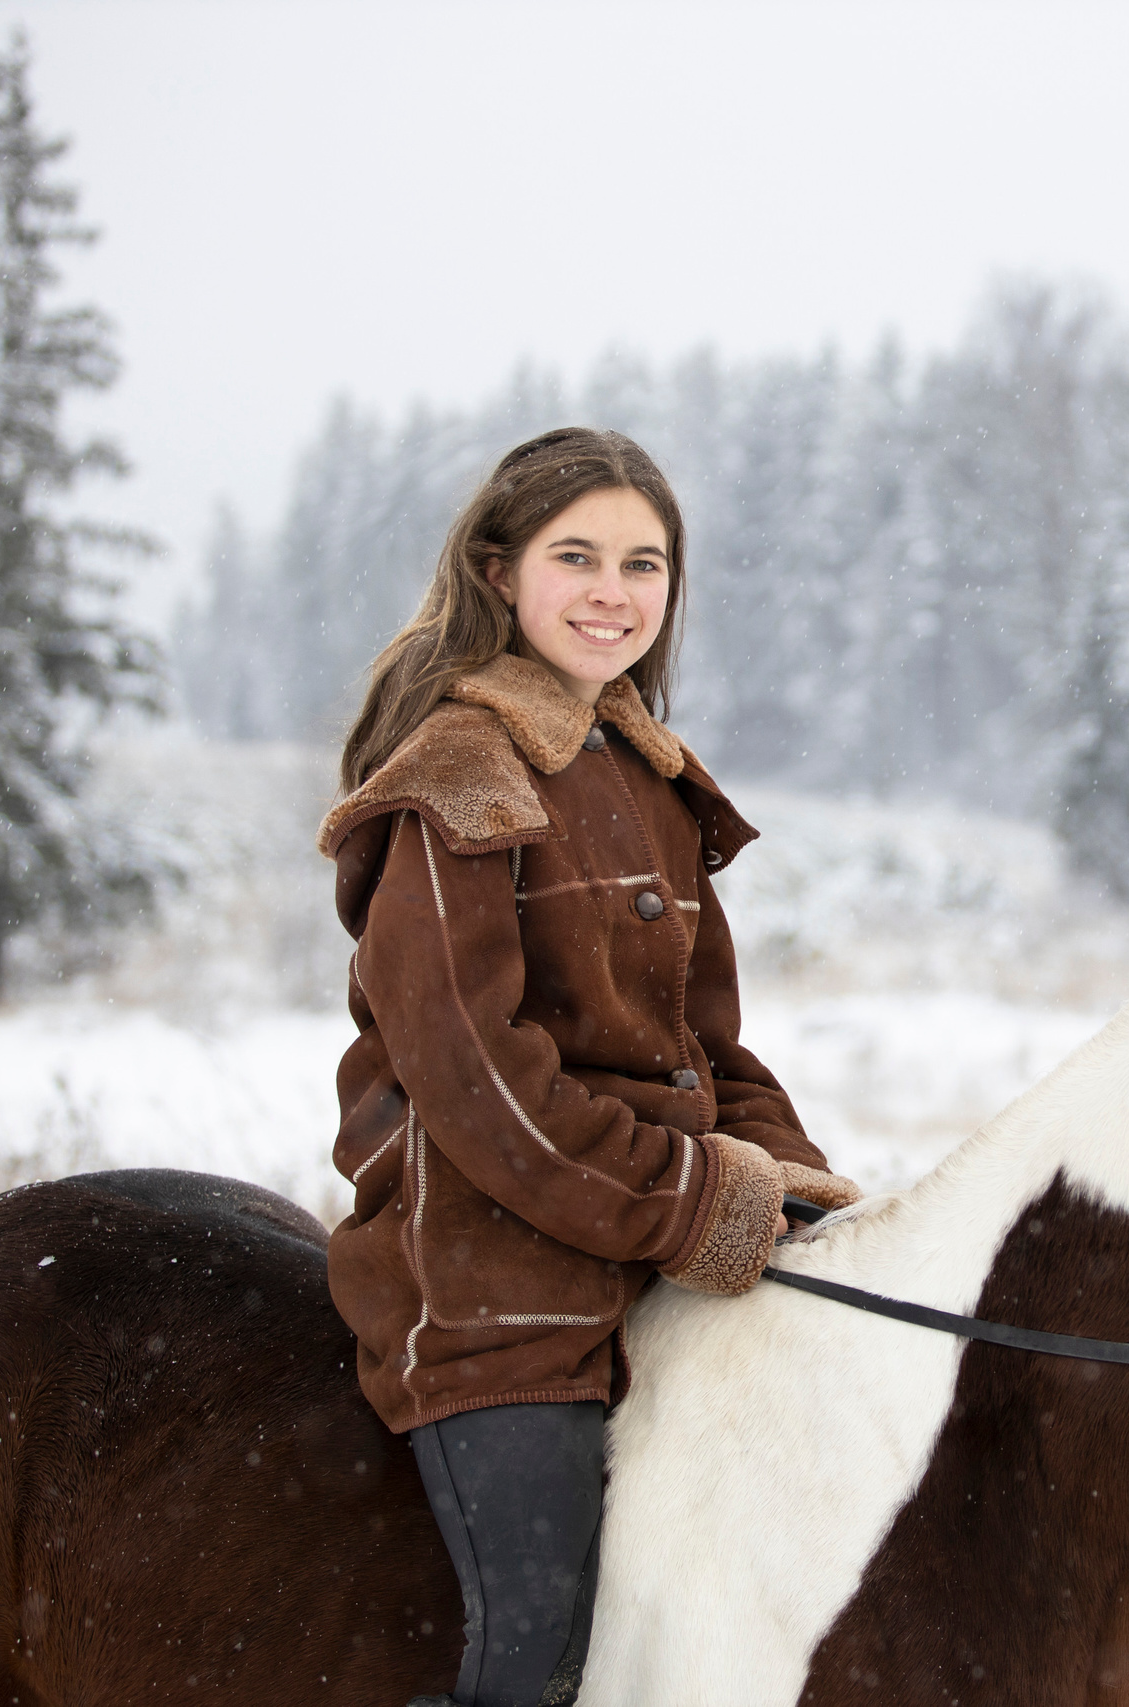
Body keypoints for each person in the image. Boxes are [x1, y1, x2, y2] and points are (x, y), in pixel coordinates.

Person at [316, 427, 859, 1707]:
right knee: (540, 1656)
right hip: (494, 1289)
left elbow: (708, 1051)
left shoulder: (647, 778)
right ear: (501, 574)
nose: (614, 592)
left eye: (644, 563)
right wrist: (689, 1206)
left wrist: (804, 1190)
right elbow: (481, 1092)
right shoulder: (458, 777)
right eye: (579, 557)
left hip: (641, 1242)